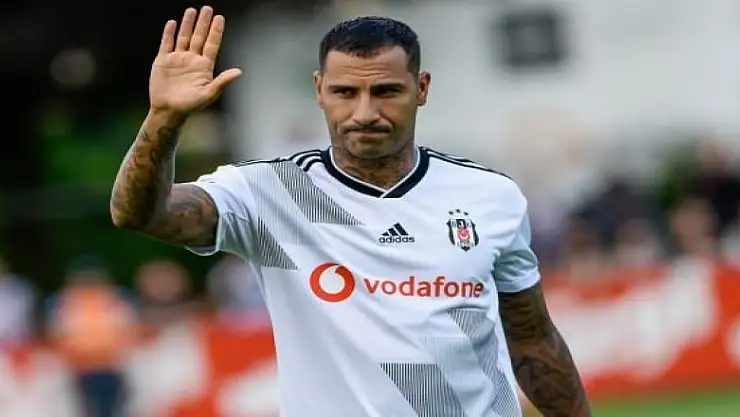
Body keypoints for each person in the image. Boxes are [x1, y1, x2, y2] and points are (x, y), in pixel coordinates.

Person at [110, 6, 591, 417]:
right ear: (319, 90)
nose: (364, 112)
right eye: (345, 92)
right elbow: (139, 214)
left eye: (386, 91)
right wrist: (164, 118)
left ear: (421, 88)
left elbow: (533, 340)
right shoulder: (267, 193)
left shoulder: (490, 196)